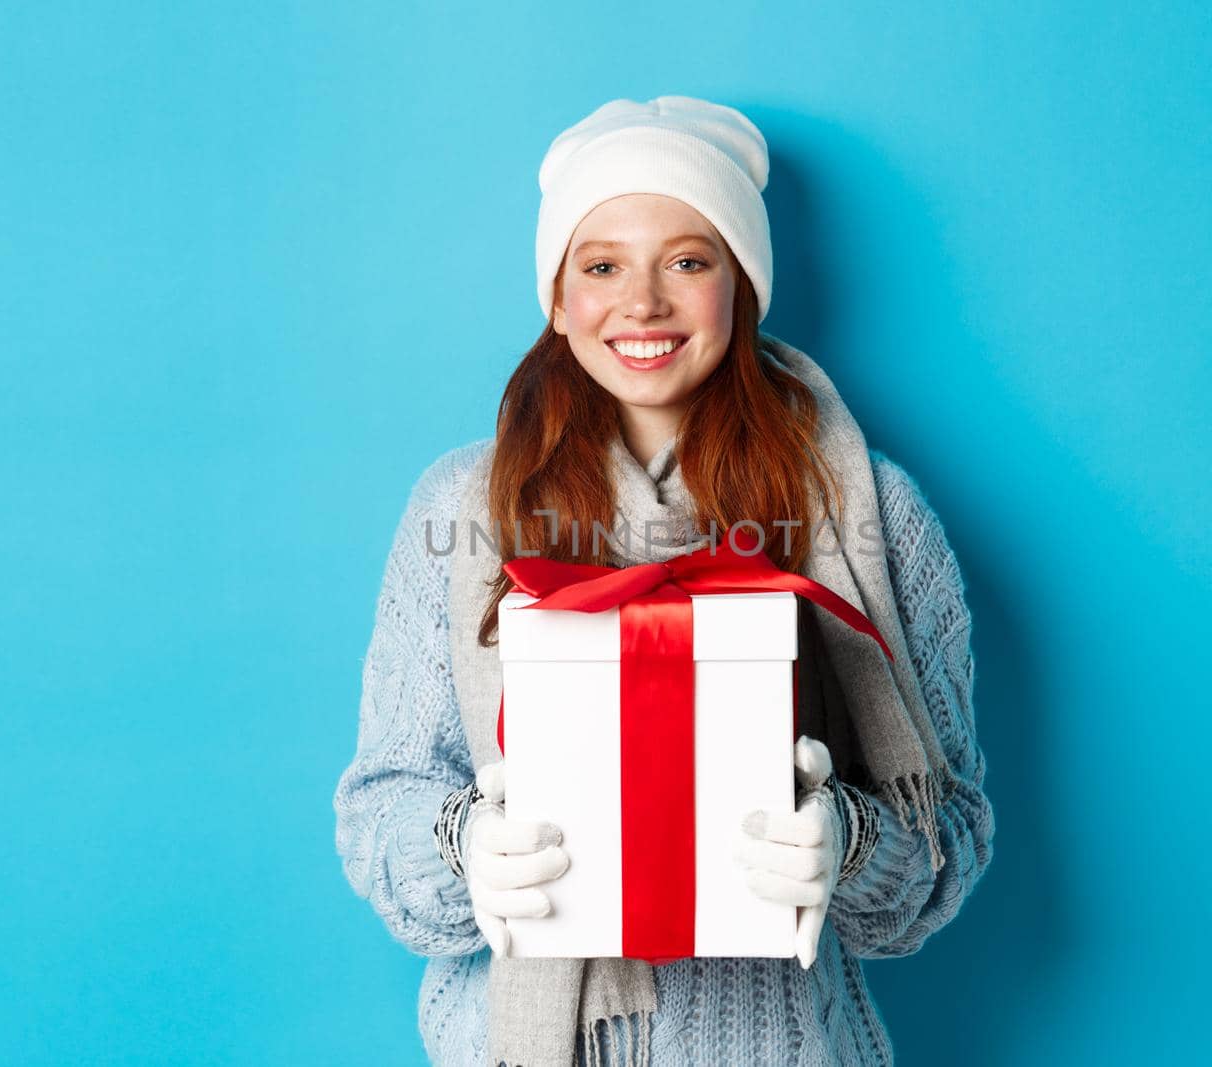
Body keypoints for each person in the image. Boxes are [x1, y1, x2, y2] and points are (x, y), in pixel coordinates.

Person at [333, 95, 995, 1067]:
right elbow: (381, 800)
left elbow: (951, 835)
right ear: (557, 297)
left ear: (742, 285)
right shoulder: (462, 506)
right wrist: (461, 846)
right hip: (516, 1042)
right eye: (601, 266)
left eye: (688, 260)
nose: (641, 303)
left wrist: (845, 839)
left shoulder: (871, 511)